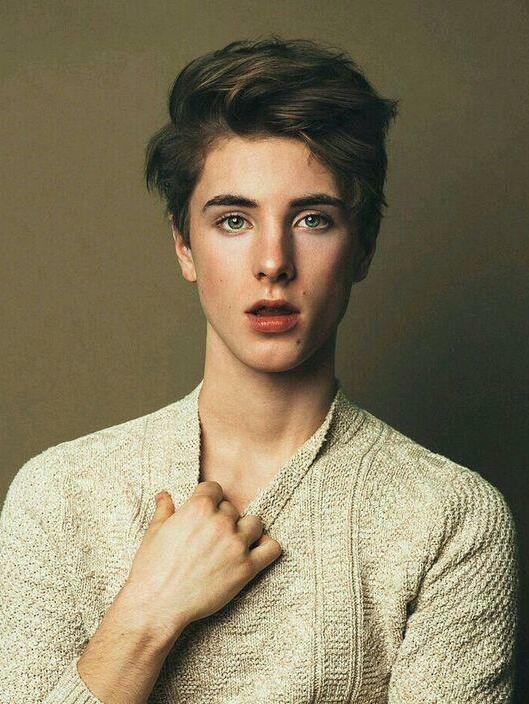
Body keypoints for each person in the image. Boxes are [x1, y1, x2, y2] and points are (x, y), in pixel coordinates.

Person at [0, 36, 518, 704]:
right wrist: (146, 615)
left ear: (362, 246)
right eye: (233, 220)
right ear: (184, 245)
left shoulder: (449, 518)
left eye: (312, 219)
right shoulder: (60, 496)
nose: (273, 261)